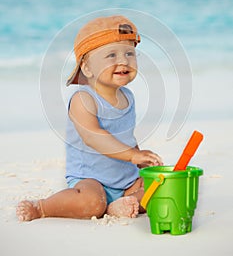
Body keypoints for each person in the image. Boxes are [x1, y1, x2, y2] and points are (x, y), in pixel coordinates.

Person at [16, 15, 163, 221]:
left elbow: (126, 136)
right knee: (91, 202)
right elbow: (94, 137)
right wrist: (132, 155)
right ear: (86, 68)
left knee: (157, 186)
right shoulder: (83, 99)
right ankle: (42, 207)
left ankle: (118, 206)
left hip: (125, 179)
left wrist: (140, 161)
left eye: (130, 53)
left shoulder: (127, 97)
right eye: (111, 55)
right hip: (91, 179)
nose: (123, 60)